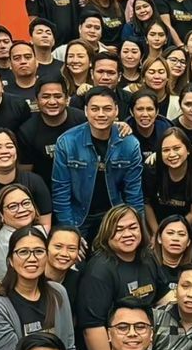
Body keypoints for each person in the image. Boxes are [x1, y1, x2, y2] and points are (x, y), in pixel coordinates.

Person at [75, 205, 169, 350]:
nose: (127, 234)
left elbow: (165, 297)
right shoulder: (99, 270)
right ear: (107, 233)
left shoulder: (147, 257)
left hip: (147, 344)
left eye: (133, 227)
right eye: (119, 229)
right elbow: (92, 330)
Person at [0, 226, 78, 350]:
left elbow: (68, 349)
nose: (32, 258)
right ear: (11, 260)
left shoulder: (58, 292)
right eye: (23, 252)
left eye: (39, 251)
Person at [51, 87, 144, 240]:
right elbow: (61, 192)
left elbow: (134, 193)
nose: (101, 114)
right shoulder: (67, 142)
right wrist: (69, 231)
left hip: (115, 215)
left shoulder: (129, 144)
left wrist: (137, 228)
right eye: (95, 109)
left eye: (107, 109)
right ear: (86, 111)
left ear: (116, 111)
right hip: (78, 217)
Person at [0, 128, 52, 259]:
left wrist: (33, 251)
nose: (4, 151)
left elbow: (45, 223)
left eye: (9, 146)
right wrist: (2, 256)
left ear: (16, 152)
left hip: (35, 248)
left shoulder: (35, 181)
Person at [17, 76, 86, 182]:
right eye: (45, 97)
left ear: (67, 99)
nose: (52, 102)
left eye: (58, 96)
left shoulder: (82, 120)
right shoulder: (27, 131)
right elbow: (26, 175)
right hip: (46, 188)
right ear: (36, 100)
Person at [143, 126, 192, 230]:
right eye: (166, 150)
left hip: (186, 227)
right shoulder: (152, 171)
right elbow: (147, 204)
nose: (172, 154)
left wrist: (174, 233)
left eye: (176, 148)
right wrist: (157, 233)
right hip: (156, 225)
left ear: (188, 150)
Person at [3, 40, 43, 111]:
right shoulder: (4, 93)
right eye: (17, 58)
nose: (23, 62)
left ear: (36, 61)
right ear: (10, 63)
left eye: (28, 57)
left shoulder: (48, 87)